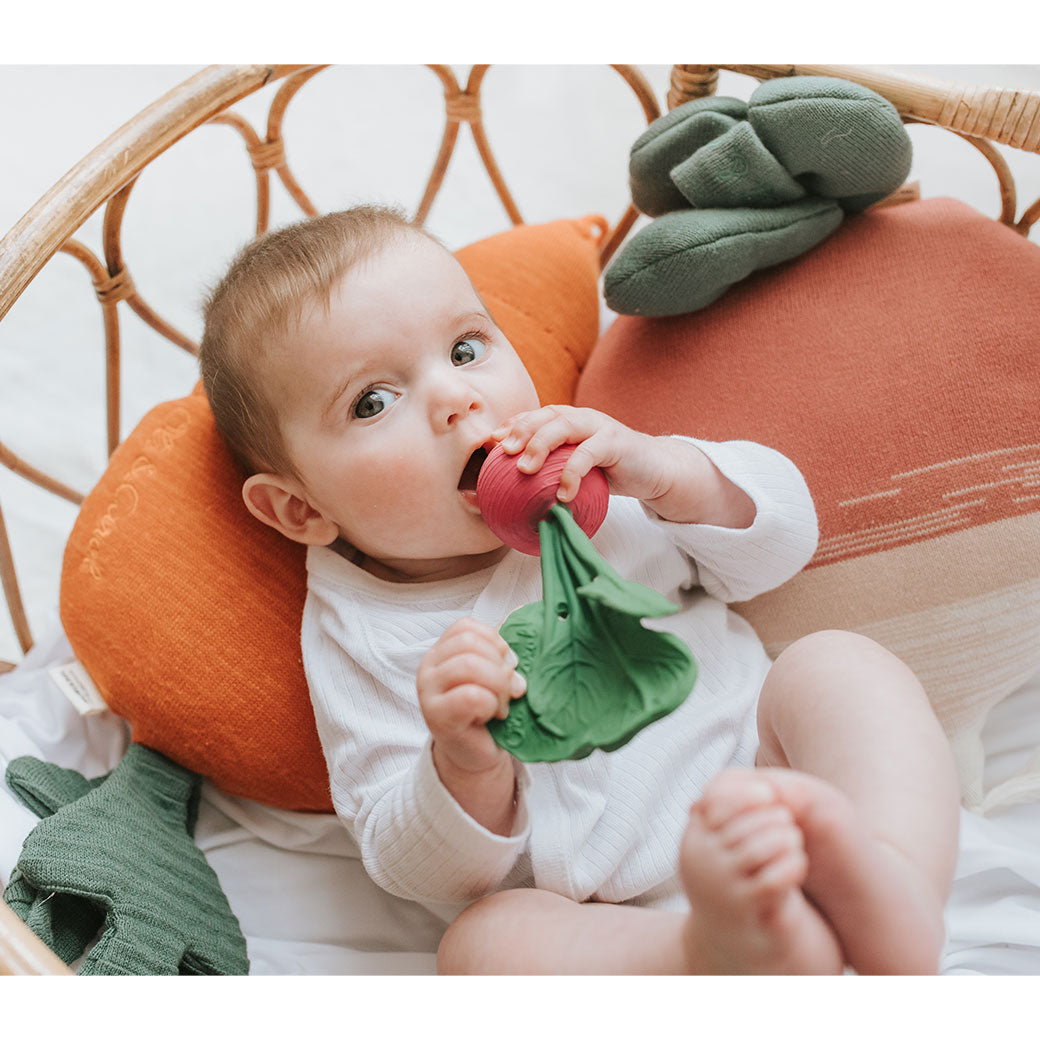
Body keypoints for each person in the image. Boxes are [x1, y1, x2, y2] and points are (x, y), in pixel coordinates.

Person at [199, 205, 960, 974]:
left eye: (466, 349)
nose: (456, 399)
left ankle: (891, 877)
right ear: (302, 510)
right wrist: (461, 763)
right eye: (373, 401)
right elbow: (409, 864)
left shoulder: (599, 474)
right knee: (481, 944)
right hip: (600, 917)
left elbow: (782, 544)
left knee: (835, 666)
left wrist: (670, 474)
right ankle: (710, 957)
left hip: (770, 771)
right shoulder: (359, 631)